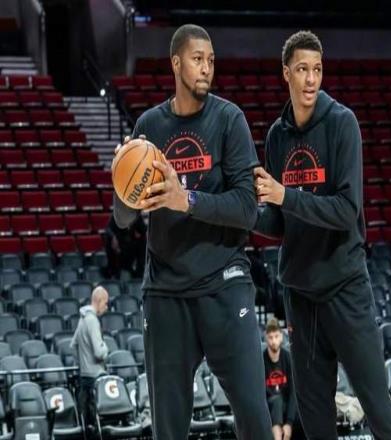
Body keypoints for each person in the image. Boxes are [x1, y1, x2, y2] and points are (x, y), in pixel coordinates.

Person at [113, 24, 272, 440]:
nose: (206, 68)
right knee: (168, 428)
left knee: (255, 415)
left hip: (224, 283)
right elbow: (124, 219)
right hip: (166, 292)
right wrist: (121, 179)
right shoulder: (149, 126)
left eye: (211, 60)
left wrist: (187, 200)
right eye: (198, 59)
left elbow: (247, 208)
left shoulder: (228, 119)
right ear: (176, 63)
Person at [253, 30, 391, 440]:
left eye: (317, 70)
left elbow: (345, 211)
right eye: (302, 69)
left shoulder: (342, 123)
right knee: (316, 421)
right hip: (300, 298)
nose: (310, 79)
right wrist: (243, 212)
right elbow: (279, 223)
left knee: (379, 413)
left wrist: (285, 194)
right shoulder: (277, 137)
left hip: (345, 288)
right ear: (286, 73)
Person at [70, 286, 109, 435]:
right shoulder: (92, 320)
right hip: (96, 378)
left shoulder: (82, 319)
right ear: (99, 300)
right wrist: (106, 348)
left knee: (88, 425)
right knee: (99, 424)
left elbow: (73, 346)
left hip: (85, 377)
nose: (106, 307)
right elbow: (99, 352)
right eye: (105, 303)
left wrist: (83, 364)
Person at [263, 318, 296, 440]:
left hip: (287, 406)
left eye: (276, 336)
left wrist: (289, 423)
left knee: (301, 409)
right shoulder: (261, 361)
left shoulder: (288, 358)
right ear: (266, 338)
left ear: (281, 336)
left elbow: (293, 391)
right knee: (277, 401)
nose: (274, 341)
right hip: (269, 406)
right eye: (270, 337)